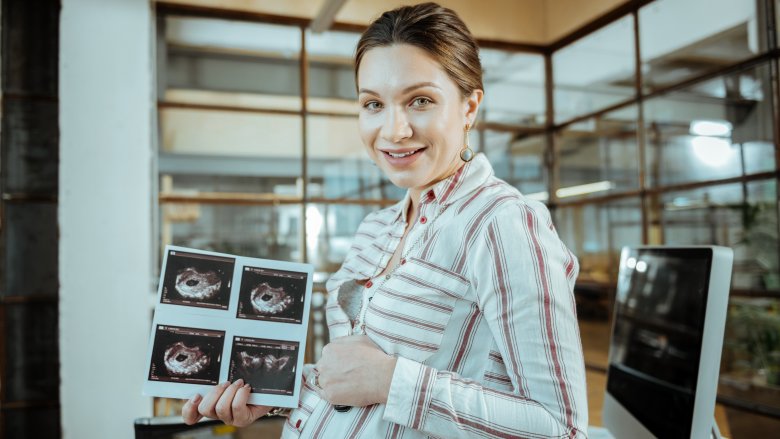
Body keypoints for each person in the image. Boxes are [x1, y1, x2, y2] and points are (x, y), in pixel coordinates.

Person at [182, 2, 588, 437]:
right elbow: (352, 379)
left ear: (469, 107)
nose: (394, 131)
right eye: (373, 104)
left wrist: (390, 380)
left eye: (420, 101)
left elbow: (560, 426)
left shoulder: (501, 223)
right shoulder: (376, 228)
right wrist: (275, 394)